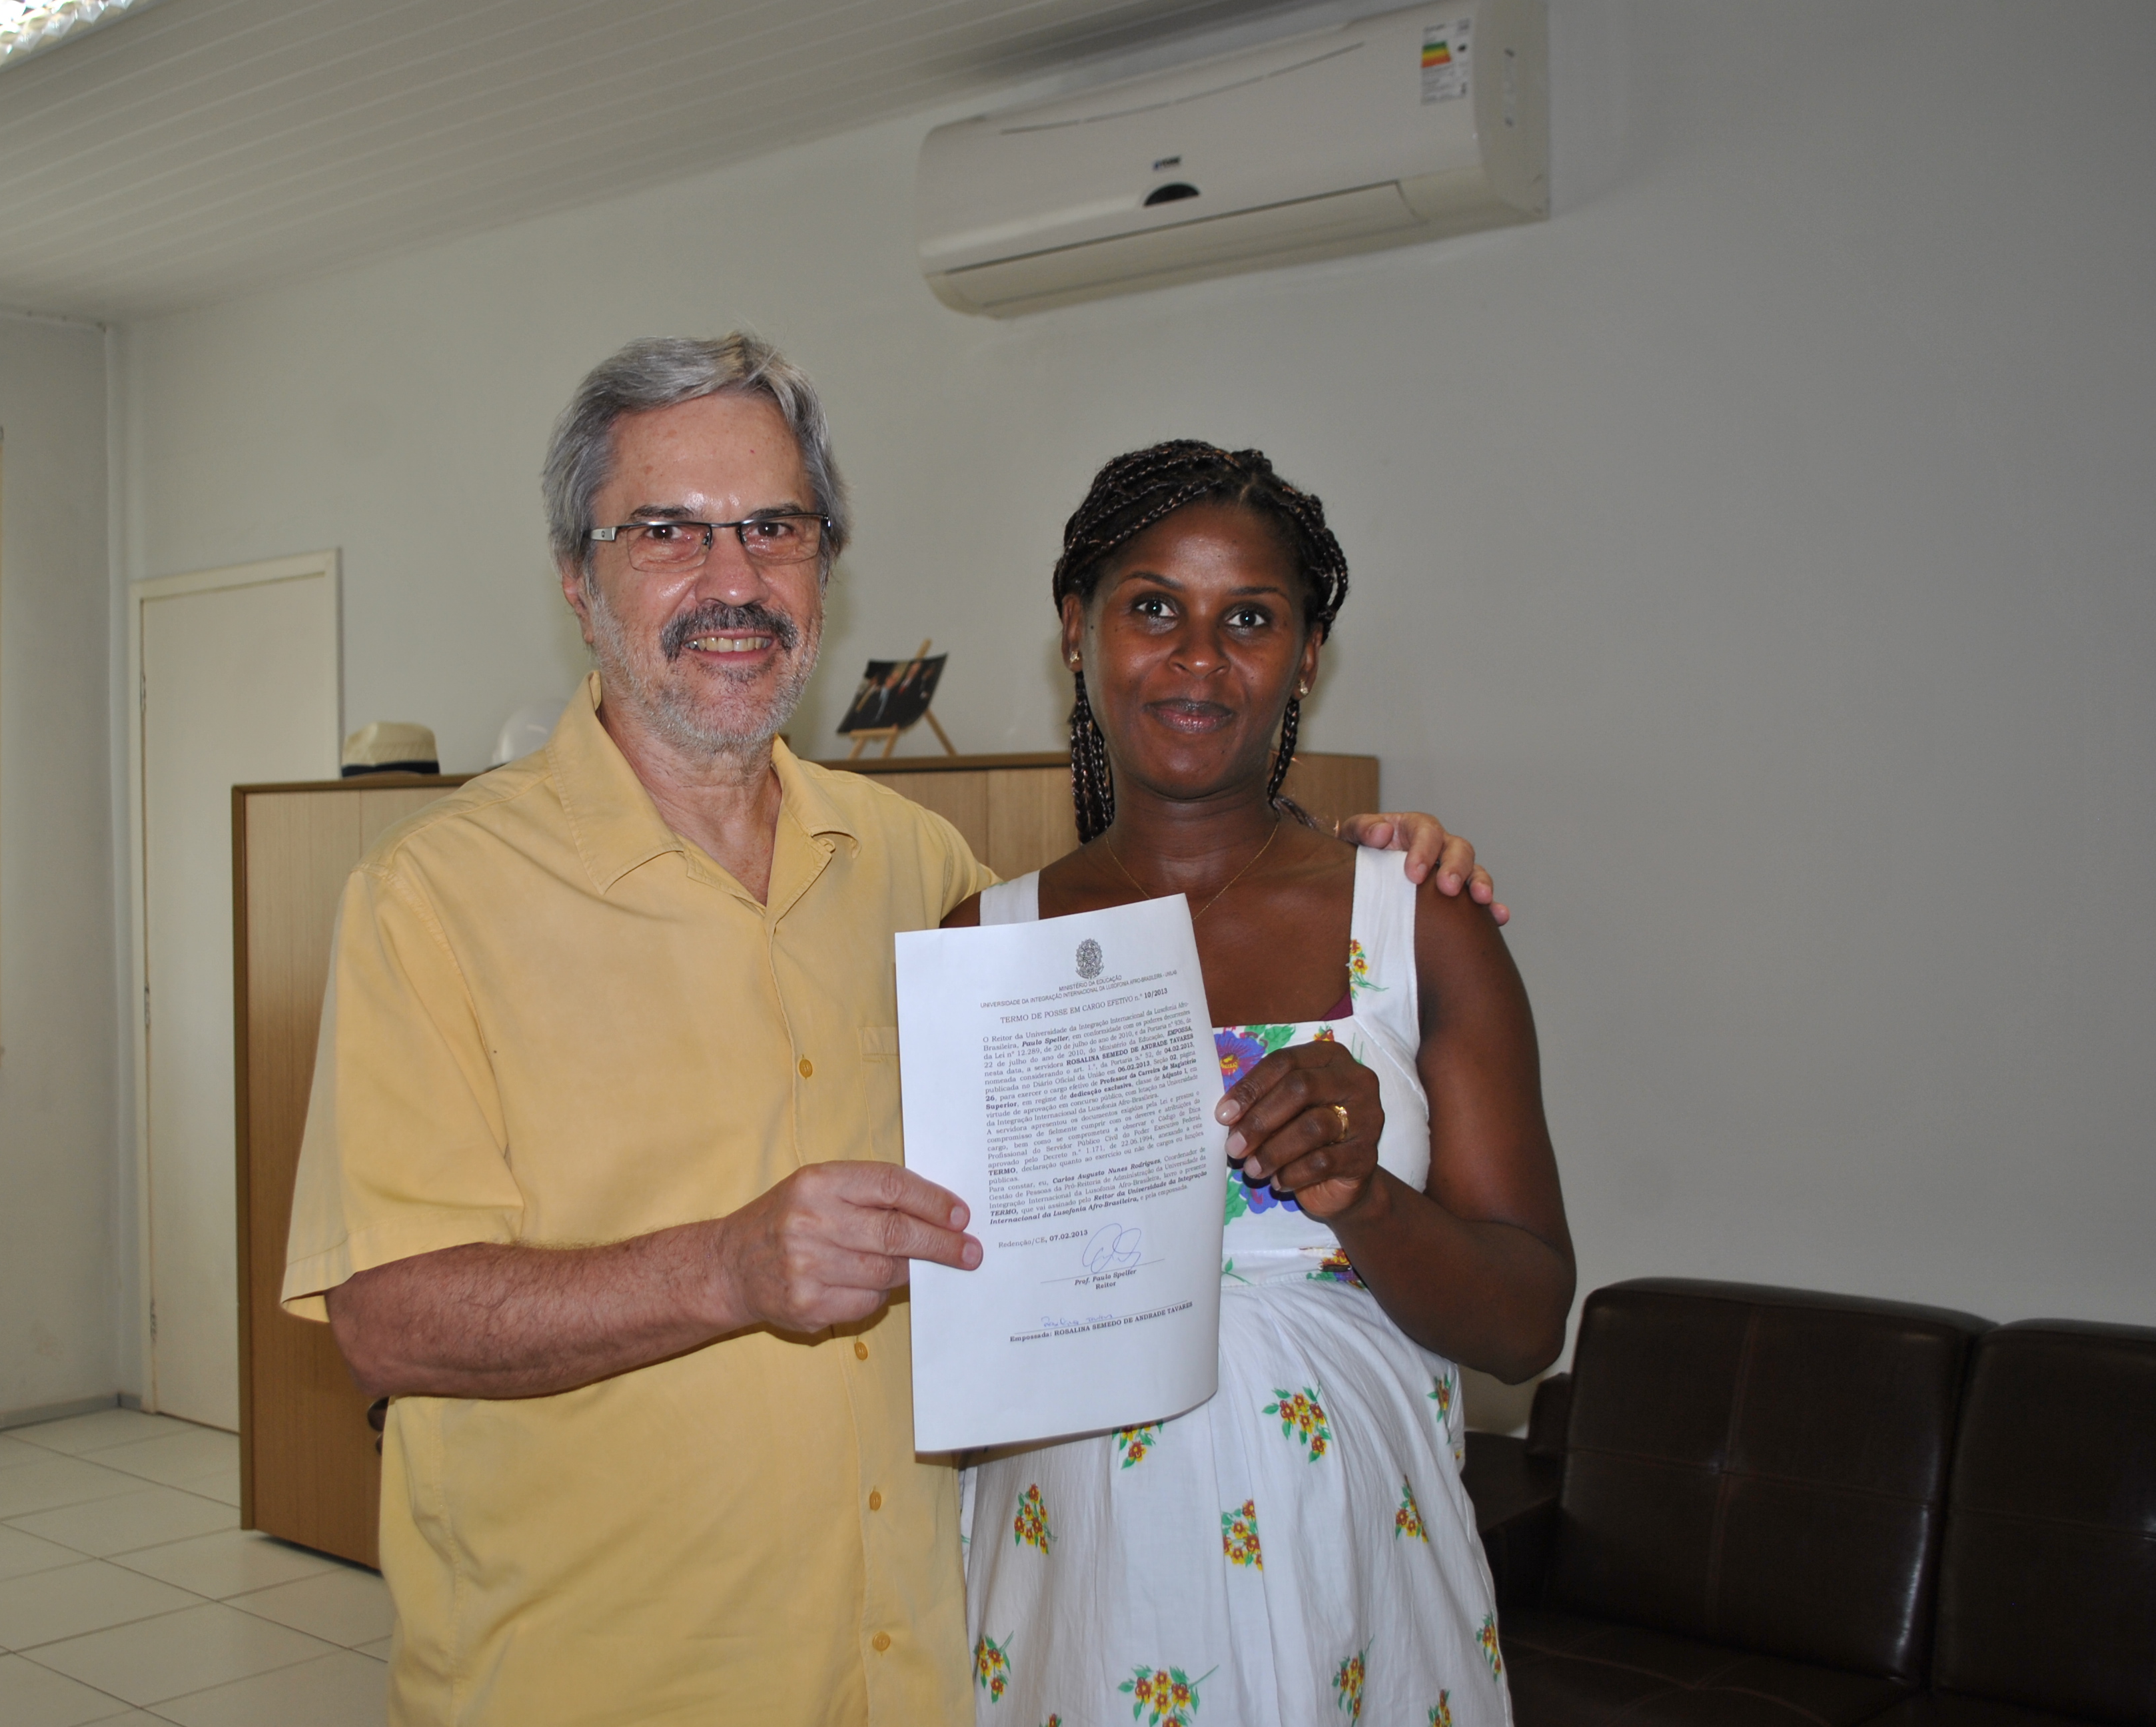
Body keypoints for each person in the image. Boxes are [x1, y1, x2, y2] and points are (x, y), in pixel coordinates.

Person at [279, 336, 1498, 1726]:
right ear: (576, 574)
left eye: (775, 528)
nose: (732, 579)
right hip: (597, 1679)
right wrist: (725, 1269)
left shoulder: (920, 873)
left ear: (825, 563)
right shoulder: (432, 900)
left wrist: (1364, 865)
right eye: (667, 531)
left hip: (914, 1665)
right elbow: (386, 1322)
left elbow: (1163, 951)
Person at [952, 442, 1572, 1727]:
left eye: (1249, 618)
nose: (1199, 658)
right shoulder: (985, 948)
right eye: (1152, 608)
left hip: (1349, 1566)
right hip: (1077, 1585)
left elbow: (1526, 1328)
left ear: (1307, 655)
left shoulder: (1420, 926)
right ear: (1076, 631)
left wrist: (1365, 1195)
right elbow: (949, 1327)